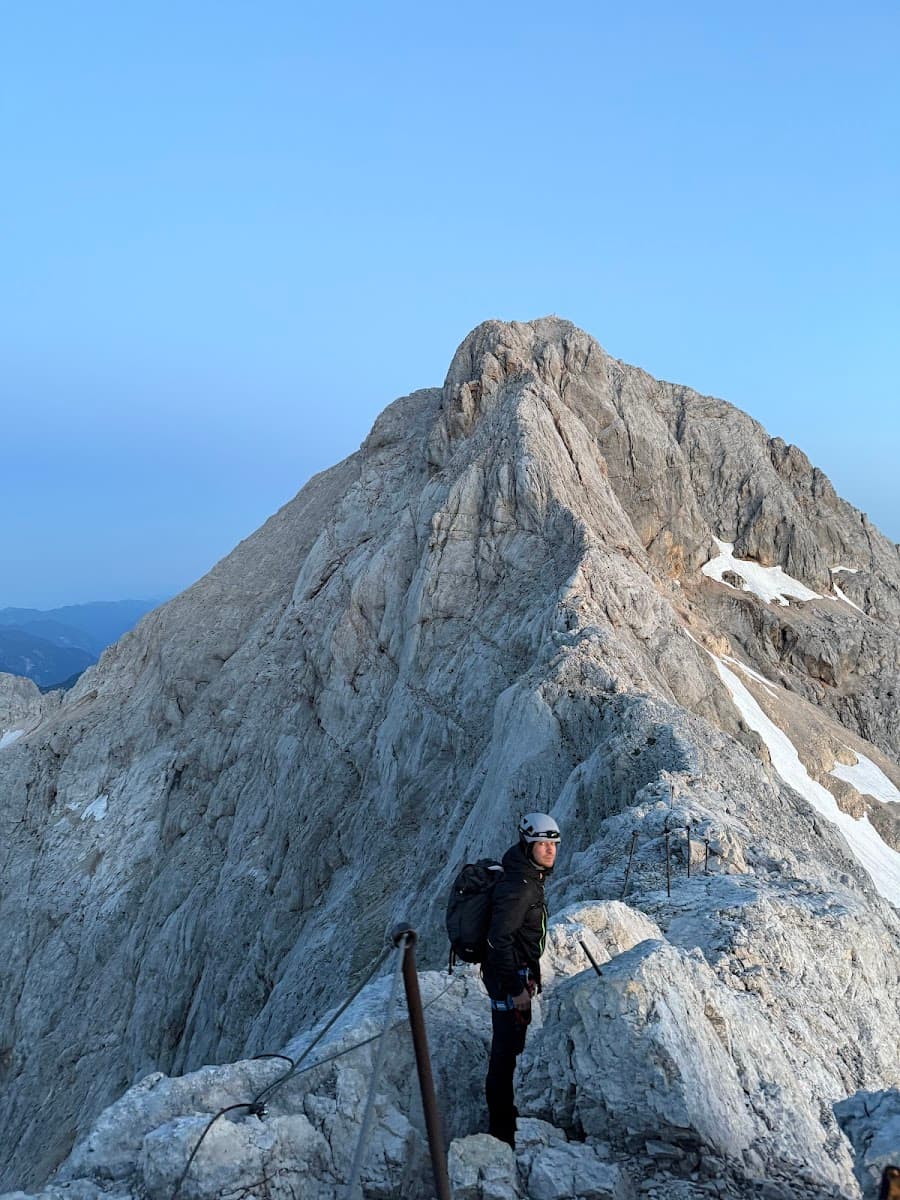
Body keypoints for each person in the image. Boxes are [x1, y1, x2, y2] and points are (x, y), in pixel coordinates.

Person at [481, 812, 560, 1148]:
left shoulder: (527, 877)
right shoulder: (520, 886)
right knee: (505, 1052)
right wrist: (516, 990)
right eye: (542, 844)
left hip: (515, 975)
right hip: (509, 981)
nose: (549, 850)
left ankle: (505, 1119)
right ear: (527, 845)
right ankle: (502, 1130)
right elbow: (498, 941)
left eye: (553, 844)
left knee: (509, 1049)